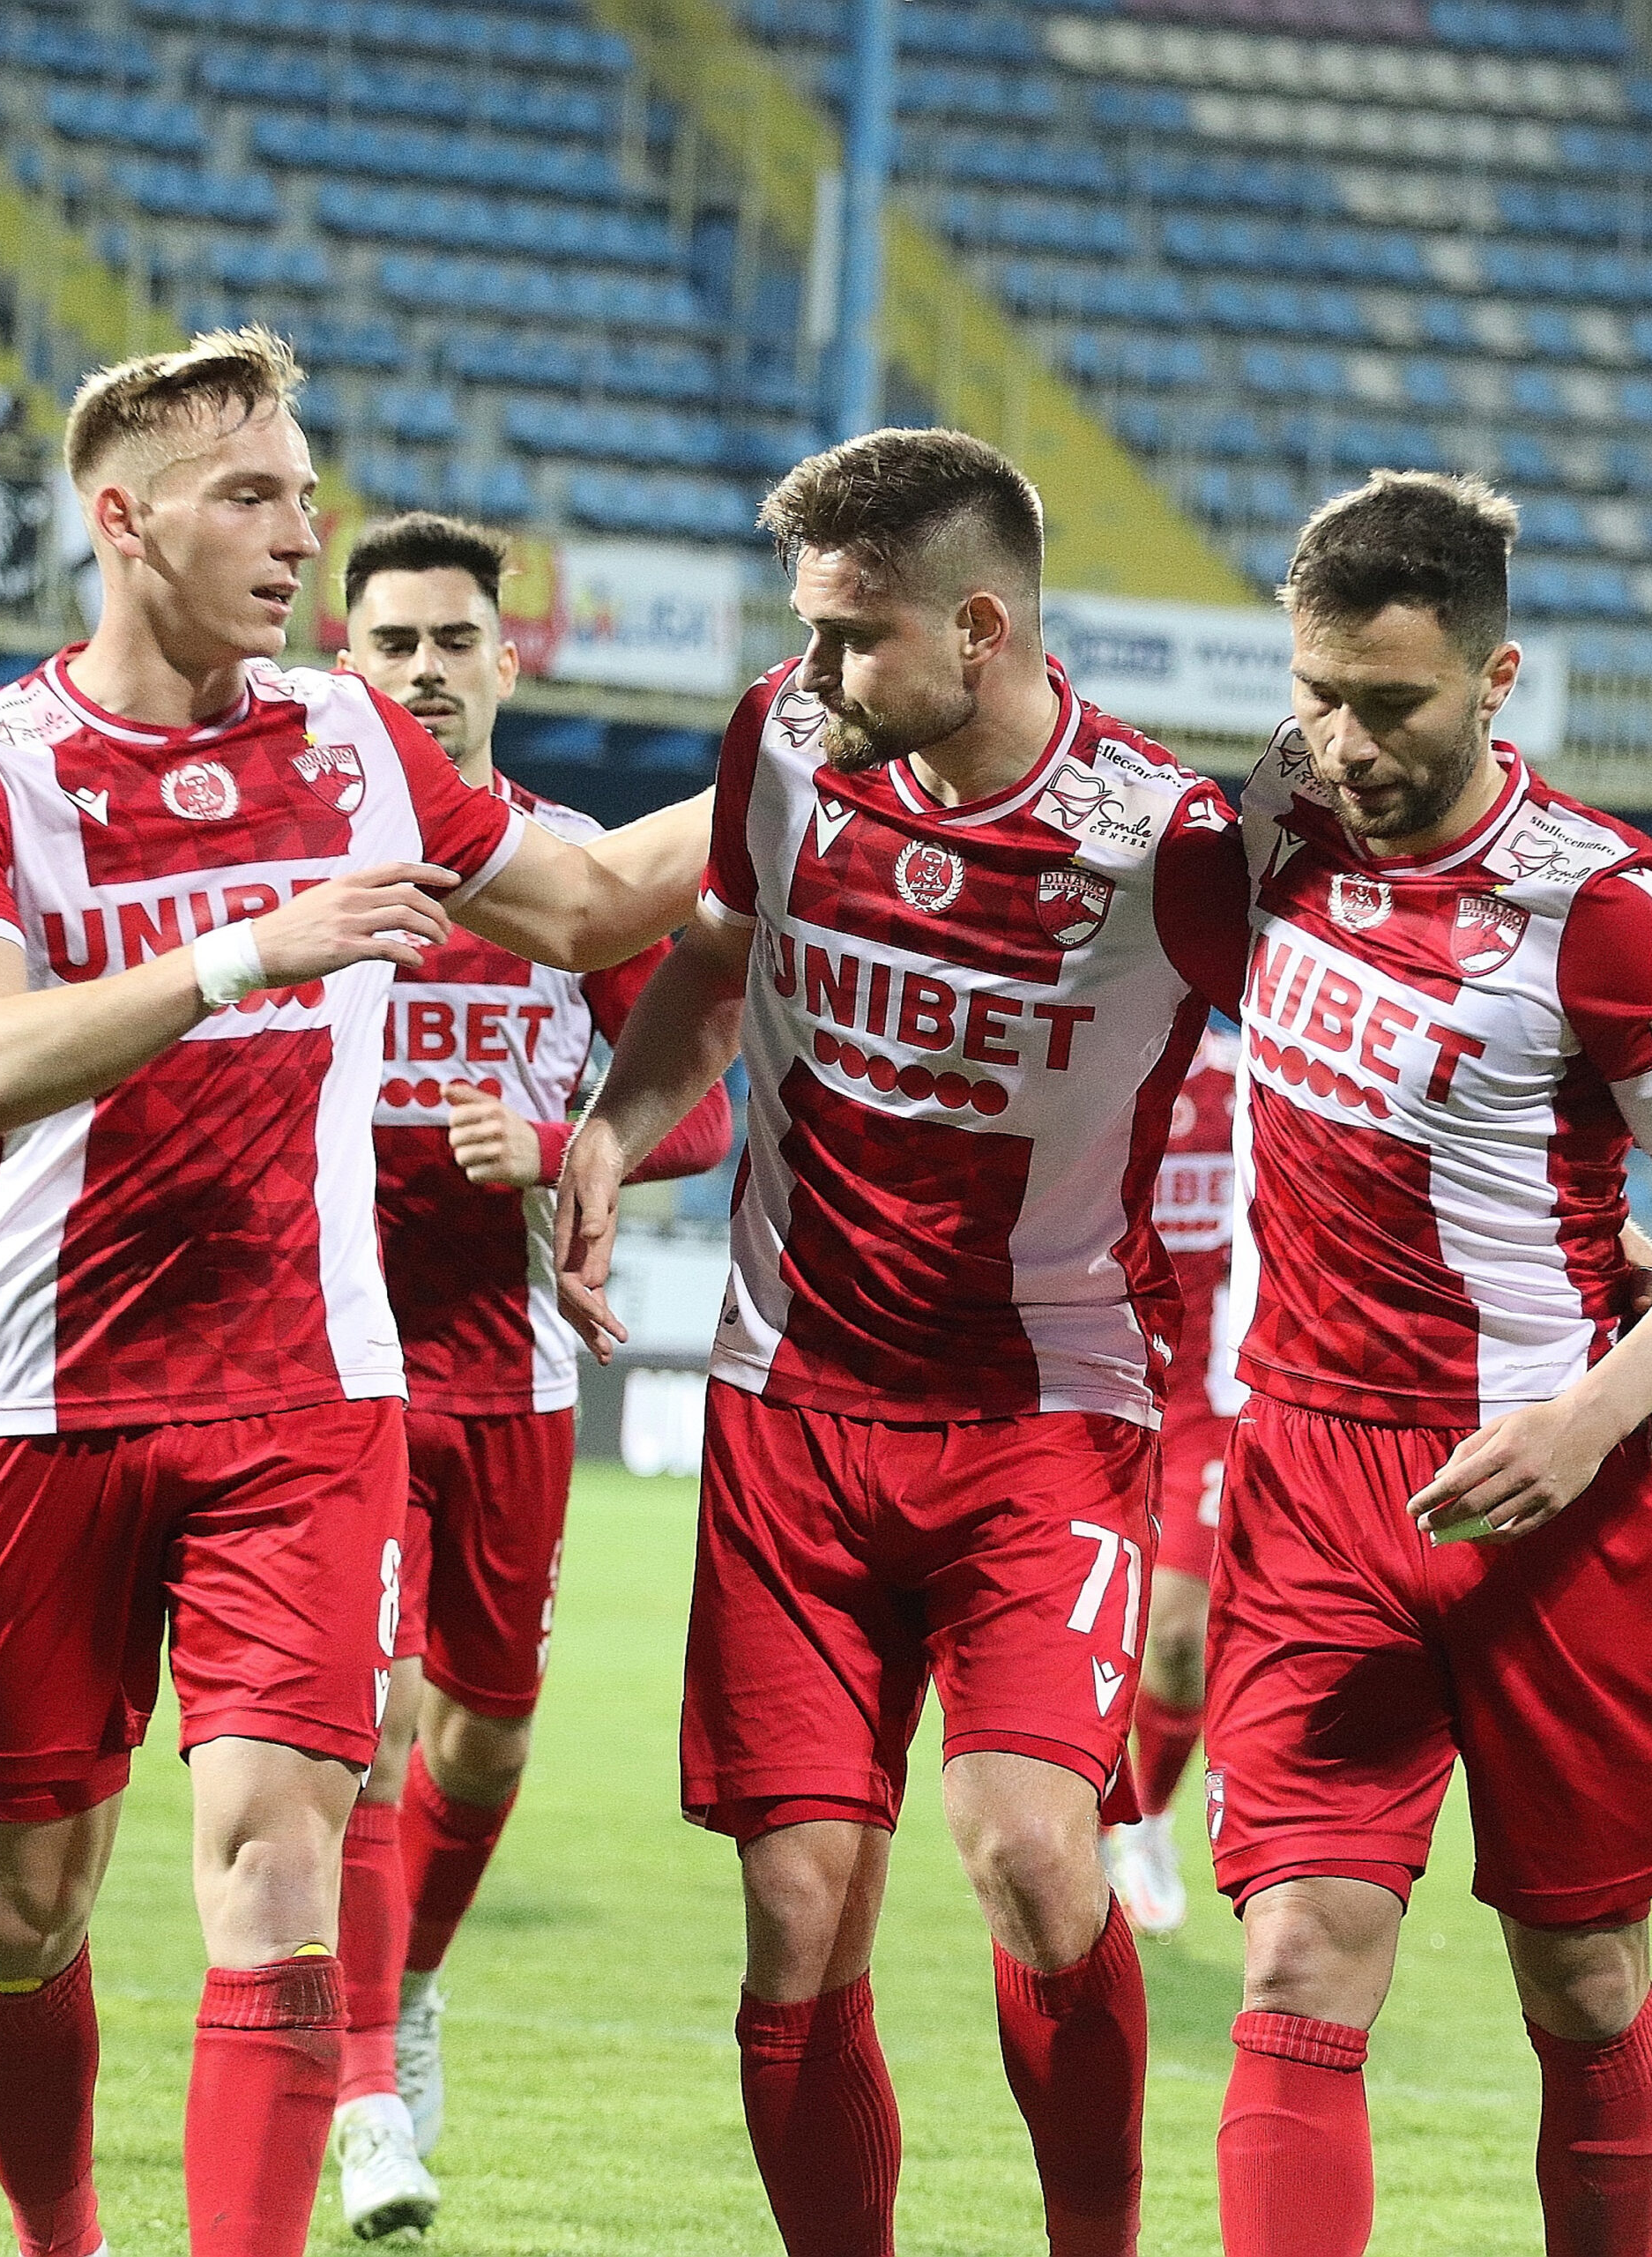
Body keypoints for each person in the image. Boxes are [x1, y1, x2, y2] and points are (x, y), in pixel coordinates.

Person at [0, 326, 710, 2257]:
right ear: (122, 520)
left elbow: (591, 906)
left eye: (305, 495)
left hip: (309, 1395)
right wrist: (249, 949)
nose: (297, 534)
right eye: (250, 495)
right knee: (27, 1910)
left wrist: (794, 741)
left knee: (277, 1875)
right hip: (43, 1398)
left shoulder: (350, 738)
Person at [552, 428, 1249, 2257]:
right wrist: (613, 1131)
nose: (814, 670)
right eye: (806, 628)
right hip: (789, 1404)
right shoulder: (782, 743)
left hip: (1045, 1417)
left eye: (853, 635)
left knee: (1031, 1853)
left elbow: (1358, 1025)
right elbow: (716, 961)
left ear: (982, 629)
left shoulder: (1164, 844)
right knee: (795, 1913)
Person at [1208, 471, 1652, 2257]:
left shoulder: (1594, 901)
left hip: (1542, 1491)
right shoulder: (1276, 822)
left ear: (1494, 677)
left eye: (1390, 703)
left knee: (1583, 1969)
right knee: (1299, 1953)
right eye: (1317, 693)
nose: (1345, 743)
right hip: (1310, 1474)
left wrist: (1585, 1418)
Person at [326, 510, 733, 2238]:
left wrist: (565, 1143)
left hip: (512, 1378)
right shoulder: (309, 862)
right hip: (340, 1367)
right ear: (345, 666)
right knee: (365, 1728)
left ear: (508, 661)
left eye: (452, 641)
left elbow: (697, 1105)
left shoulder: (580, 880)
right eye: (392, 643)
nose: (425, 670)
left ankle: (408, 1986)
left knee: (482, 1745)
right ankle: (364, 2096)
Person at [1098, 1019, 1240, 1938]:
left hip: (1206, 1404)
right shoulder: (1092, 1065)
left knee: (1180, 1636)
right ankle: (1079, 1813)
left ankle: (1146, 1823)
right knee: (1083, 1629)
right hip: (1097, 1385)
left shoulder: (1252, 1082)